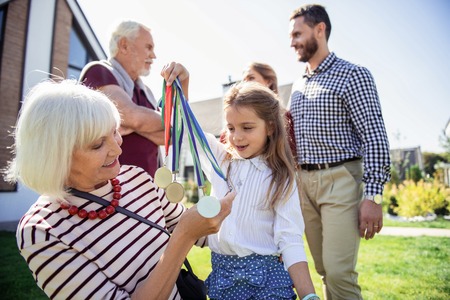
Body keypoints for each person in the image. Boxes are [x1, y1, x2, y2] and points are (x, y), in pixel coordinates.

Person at [4, 79, 235, 300]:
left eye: (115, 131)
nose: (116, 149)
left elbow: (205, 235)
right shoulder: (42, 231)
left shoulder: (135, 177)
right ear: (54, 157)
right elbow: (187, 230)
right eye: (97, 144)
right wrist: (184, 236)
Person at [288, 4, 391, 299]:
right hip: (304, 185)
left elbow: (374, 137)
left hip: (341, 181)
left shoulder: (353, 75)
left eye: (298, 33)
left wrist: (372, 196)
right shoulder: (298, 85)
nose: (292, 41)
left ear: (320, 29)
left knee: (338, 272)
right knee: (322, 269)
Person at [199, 82, 319, 300]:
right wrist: (182, 82)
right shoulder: (220, 161)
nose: (236, 137)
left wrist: (308, 295)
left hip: (269, 282)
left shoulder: (282, 177)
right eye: (231, 128)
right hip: (224, 281)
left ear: (270, 127)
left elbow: (290, 239)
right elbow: (184, 126)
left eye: (247, 127)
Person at [79, 20, 190, 177]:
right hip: (111, 191)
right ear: (124, 45)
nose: (154, 55)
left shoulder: (147, 92)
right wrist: (138, 120)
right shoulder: (99, 71)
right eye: (148, 47)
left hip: (147, 191)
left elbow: (171, 136)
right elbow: (131, 116)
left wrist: (133, 123)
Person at [241, 62, 297, 161]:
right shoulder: (236, 116)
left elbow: (292, 155)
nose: (246, 84)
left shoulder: (285, 117)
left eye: (251, 78)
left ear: (269, 81)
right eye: (244, 80)